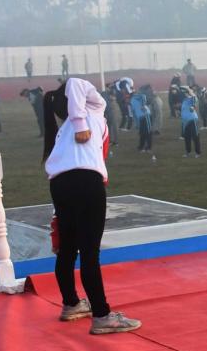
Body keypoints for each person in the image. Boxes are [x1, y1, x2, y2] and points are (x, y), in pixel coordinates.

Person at [40, 79, 141, 335]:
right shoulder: (90, 112)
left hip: (60, 184)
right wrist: (81, 124)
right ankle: (102, 315)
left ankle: (72, 304)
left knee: (67, 249)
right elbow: (75, 82)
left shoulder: (63, 131)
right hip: (85, 182)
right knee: (89, 252)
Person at [179, 87, 201, 157]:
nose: (184, 94)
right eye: (184, 93)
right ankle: (188, 152)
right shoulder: (184, 100)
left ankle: (198, 153)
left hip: (192, 120)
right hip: (185, 122)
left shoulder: (191, 99)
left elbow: (195, 98)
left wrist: (189, 90)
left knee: (195, 136)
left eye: (185, 92)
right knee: (187, 137)